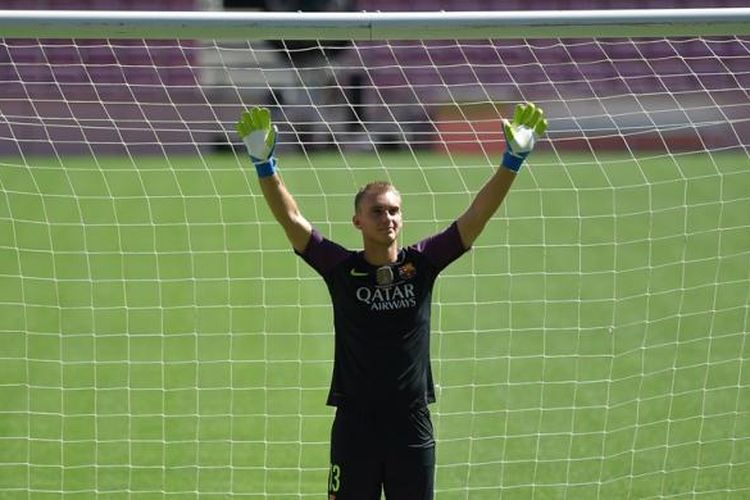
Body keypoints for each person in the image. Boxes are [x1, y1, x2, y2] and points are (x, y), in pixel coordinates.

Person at [236, 104, 547, 499]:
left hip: (411, 425)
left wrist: (512, 160)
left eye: (394, 210)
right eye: (378, 211)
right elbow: (292, 220)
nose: (388, 218)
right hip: (354, 427)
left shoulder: (423, 263)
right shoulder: (340, 269)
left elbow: (475, 218)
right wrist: (265, 165)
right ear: (358, 222)